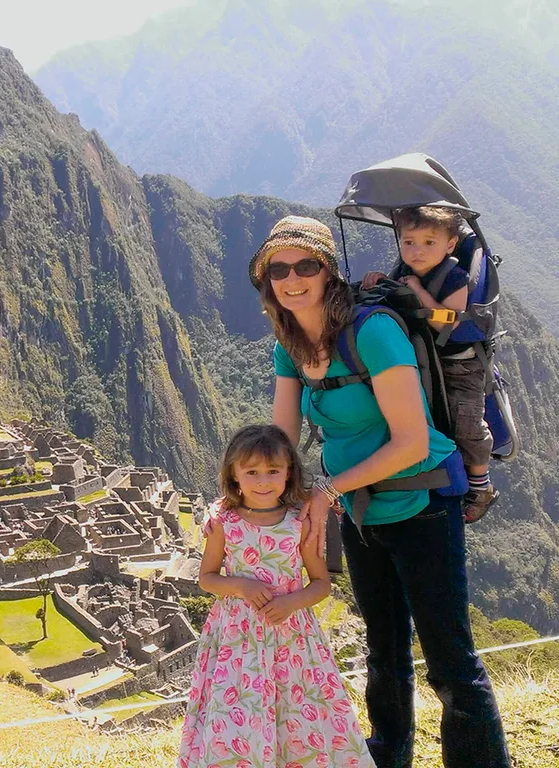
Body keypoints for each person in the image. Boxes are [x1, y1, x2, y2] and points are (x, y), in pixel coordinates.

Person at [251, 215, 509, 768]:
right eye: (278, 269)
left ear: (327, 270)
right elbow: (281, 440)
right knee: (383, 649)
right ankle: (389, 754)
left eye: (305, 266)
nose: (292, 279)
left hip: (422, 504)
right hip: (361, 511)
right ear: (265, 278)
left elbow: (413, 442)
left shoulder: (372, 331)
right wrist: (248, 496)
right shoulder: (290, 344)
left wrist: (325, 490)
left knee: (448, 659)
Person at [179, 424, 374, 768]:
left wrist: (290, 602)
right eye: (251, 472)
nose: (263, 481)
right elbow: (207, 578)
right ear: (234, 475)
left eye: (273, 471)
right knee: (238, 717)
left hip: (292, 640)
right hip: (238, 641)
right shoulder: (225, 522)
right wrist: (241, 586)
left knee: (297, 715)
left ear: (289, 473)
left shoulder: (300, 522)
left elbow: (319, 583)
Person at [362, 206, 497, 522]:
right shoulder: (406, 273)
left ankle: (481, 485)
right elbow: (396, 296)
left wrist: (419, 293)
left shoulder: (454, 277)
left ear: (450, 244)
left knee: (465, 424)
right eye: (409, 242)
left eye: (428, 243)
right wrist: (382, 281)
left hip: (460, 367)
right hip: (422, 361)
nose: (417, 251)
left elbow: (447, 322)